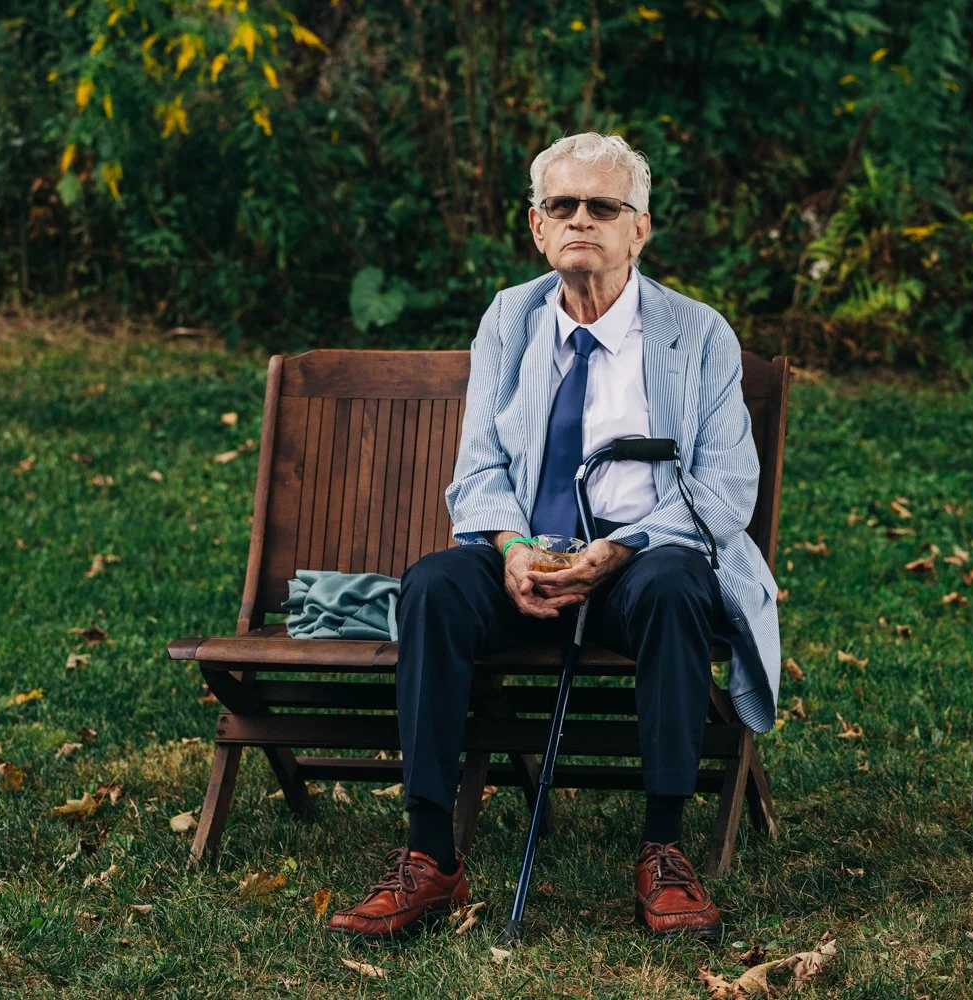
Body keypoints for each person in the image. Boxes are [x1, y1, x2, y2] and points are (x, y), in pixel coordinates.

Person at [327, 132, 781, 943]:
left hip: (641, 568)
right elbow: (478, 469)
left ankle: (665, 850)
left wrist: (622, 548)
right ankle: (432, 858)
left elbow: (723, 490)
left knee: (678, 584)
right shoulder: (511, 317)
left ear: (638, 229)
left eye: (603, 207)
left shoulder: (697, 333)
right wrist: (509, 550)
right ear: (536, 226)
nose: (581, 220)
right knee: (432, 585)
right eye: (562, 206)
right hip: (529, 566)